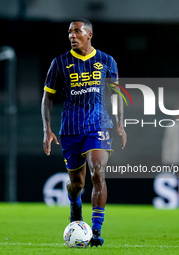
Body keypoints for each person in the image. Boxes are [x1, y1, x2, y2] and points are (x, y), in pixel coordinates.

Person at [41, 18, 126, 247]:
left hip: (98, 125)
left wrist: (120, 123)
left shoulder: (107, 61)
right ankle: (75, 202)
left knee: (98, 173)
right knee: (77, 183)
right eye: (70, 32)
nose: (72, 35)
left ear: (89, 34)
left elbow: (116, 94)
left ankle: (96, 231)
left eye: (77, 31)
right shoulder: (59, 63)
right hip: (70, 129)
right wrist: (47, 129)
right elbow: (48, 97)